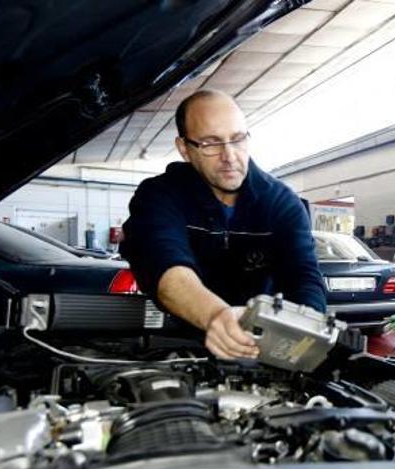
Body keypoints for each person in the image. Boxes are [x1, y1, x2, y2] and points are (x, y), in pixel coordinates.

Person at [120, 89, 326, 360]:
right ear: (185, 149)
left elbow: (305, 278)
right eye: (210, 143)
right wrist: (217, 316)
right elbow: (167, 268)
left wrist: (301, 340)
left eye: (237, 139)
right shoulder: (159, 196)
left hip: (259, 350)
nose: (229, 156)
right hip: (178, 349)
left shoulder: (282, 203)